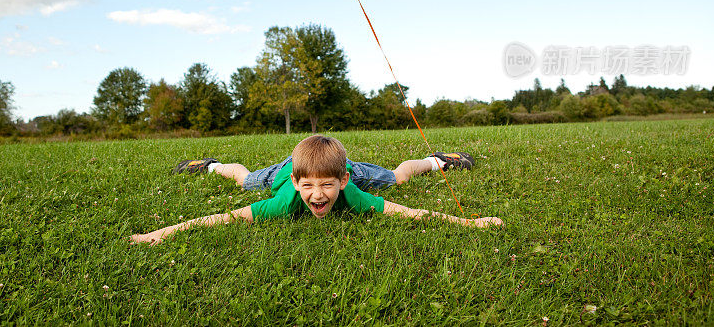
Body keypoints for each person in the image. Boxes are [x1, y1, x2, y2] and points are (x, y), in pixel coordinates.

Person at [130, 135, 502, 245]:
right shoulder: (285, 196)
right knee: (244, 179)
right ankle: (209, 164)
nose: (317, 195)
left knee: (397, 178)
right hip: (280, 169)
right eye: (308, 186)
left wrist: (470, 224)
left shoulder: (351, 190)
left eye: (327, 185)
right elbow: (223, 218)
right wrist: (158, 234)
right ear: (296, 183)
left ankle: (437, 160)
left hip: (350, 165)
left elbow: (405, 212)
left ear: (342, 181)